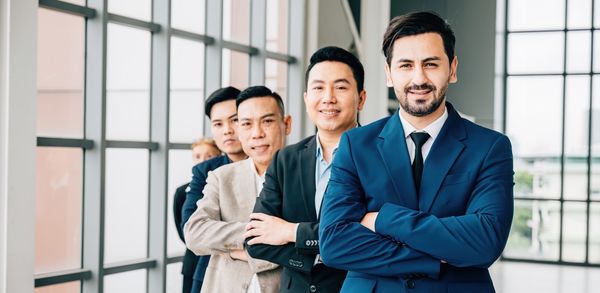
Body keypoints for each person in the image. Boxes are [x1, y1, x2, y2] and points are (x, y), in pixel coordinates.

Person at [318, 11, 514, 293]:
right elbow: (335, 242)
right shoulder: (356, 144)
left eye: (431, 64)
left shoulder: (490, 147)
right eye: (406, 65)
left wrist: (382, 219)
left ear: (453, 68)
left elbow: (484, 242)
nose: (419, 78)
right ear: (388, 73)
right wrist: (438, 256)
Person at [244, 46, 365, 293]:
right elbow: (255, 240)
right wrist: (311, 258)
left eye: (340, 87)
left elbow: (369, 237)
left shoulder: (381, 157)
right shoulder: (286, 160)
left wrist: (291, 232)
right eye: (319, 88)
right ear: (306, 97)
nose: (328, 98)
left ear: (361, 98)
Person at [184, 86, 291, 293]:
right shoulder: (221, 176)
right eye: (247, 124)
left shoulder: (304, 174)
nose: (257, 134)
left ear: (286, 124)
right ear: (240, 130)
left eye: (267, 121)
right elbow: (194, 232)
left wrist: (228, 250)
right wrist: (263, 233)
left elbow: (307, 245)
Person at [181, 86, 247, 292]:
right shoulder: (205, 171)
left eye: (234, 120)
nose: (227, 129)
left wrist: (219, 235)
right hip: (213, 274)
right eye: (218, 124)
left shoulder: (277, 164)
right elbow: (192, 227)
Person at [173, 138, 221, 293]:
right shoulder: (182, 192)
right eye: (197, 156)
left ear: (219, 156)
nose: (202, 161)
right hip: (193, 261)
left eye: (209, 156)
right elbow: (183, 229)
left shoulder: (224, 185)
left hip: (221, 261)